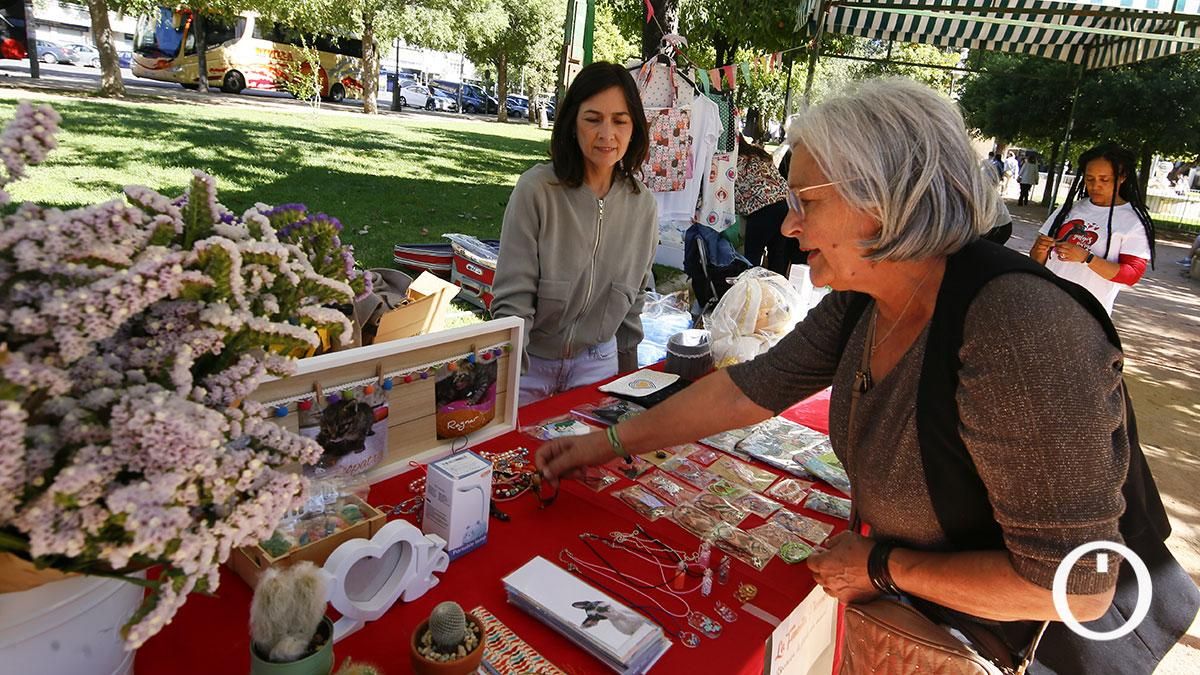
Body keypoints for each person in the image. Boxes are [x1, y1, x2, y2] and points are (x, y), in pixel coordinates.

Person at [535, 78, 1197, 673]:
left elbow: (1077, 585)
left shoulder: (1018, 327)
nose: (789, 225)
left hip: (1010, 646)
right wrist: (604, 444)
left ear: (880, 201)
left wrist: (882, 566)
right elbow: (750, 386)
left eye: (805, 200)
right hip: (920, 624)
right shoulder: (868, 296)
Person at [491, 62, 656, 406]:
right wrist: (508, 384)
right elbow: (512, 303)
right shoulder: (536, 190)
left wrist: (629, 391)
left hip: (598, 363)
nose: (606, 134)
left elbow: (632, 306)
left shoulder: (644, 206)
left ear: (635, 128)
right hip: (530, 364)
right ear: (572, 123)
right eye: (593, 119)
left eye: (620, 121)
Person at [1029, 144, 1156, 315]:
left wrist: (1086, 258)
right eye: (1089, 179)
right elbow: (1038, 260)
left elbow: (1131, 274)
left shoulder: (1133, 221)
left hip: (1087, 314)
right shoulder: (1070, 208)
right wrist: (1040, 250)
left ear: (1122, 177)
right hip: (1046, 302)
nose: (1095, 186)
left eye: (1104, 179)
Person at [736, 134, 805, 275]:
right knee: (778, 256)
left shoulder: (735, 161)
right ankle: (776, 291)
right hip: (784, 204)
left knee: (752, 258)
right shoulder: (758, 153)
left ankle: (749, 291)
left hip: (762, 209)